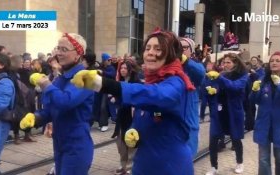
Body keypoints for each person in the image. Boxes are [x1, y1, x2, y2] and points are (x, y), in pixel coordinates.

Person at [71, 30, 195, 175]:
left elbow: (157, 97)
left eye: (158, 49)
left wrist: (103, 84)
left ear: (170, 54)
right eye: (147, 48)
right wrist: (134, 130)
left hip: (171, 166)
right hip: (143, 164)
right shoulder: (150, 82)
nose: (150, 52)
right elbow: (145, 113)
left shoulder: (176, 82)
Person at [19, 33, 95, 175]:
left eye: (64, 49)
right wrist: (37, 117)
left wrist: (46, 84)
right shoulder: (61, 78)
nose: (58, 53)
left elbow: (65, 102)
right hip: (59, 142)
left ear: (78, 54)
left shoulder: (88, 77)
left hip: (77, 146)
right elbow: (50, 108)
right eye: (58, 48)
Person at [204, 53, 248, 175]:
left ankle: (240, 162)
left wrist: (219, 78)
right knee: (213, 139)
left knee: (236, 139)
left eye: (228, 62)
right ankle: (214, 166)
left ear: (236, 63)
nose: (225, 65)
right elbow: (211, 88)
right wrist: (211, 91)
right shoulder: (221, 75)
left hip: (233, 112)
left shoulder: (242, 76)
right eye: (224, 62)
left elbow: (235, 87)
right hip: (219, 112)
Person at [249, 51, 280, 175]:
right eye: (272, 61)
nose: (274, 63)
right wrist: (254, 91)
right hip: (264, 125)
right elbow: (253, 101)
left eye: (278, 61)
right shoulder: (264, 80)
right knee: (263, 160)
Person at [111, 59, 141, 175]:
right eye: (121, 68)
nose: (122, 70)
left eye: (125, 68)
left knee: (131, 142)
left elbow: (136, 99)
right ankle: (123, 164)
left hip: (132, 116)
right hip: (121, 115)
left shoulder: (136, 82)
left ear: (130, 70)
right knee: (120, 142)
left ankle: (129, 167)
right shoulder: (120, 82)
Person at [180, 37, 206, 157]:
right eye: (178, 47)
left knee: (187, 160)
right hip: (170, 125)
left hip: (189, 122)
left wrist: (186, 62)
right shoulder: (167, 69)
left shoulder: (195, 67)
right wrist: (157, 117)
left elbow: (201, 73)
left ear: (191, 51)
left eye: (185, 47)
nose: (181, 50)